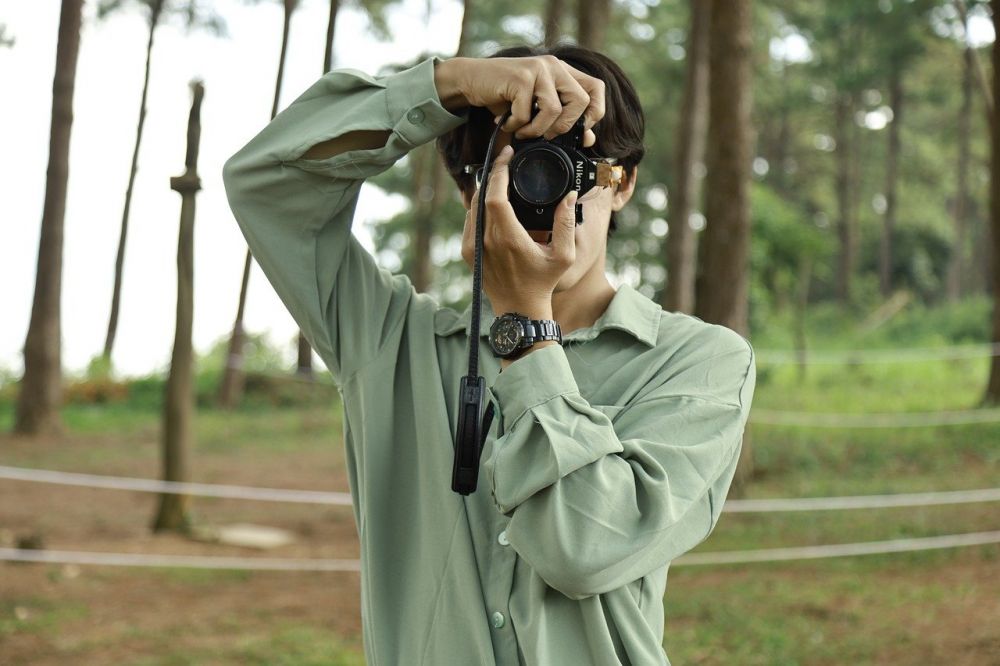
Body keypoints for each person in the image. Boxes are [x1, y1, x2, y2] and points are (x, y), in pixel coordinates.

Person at [223, 42, 756, 666]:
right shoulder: (390, 339)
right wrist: (449, 86)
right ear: (469, 192)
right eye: (505, 168)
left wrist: (524, 326)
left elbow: (586, 549)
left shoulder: (699, 361)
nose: (539, 190)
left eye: (569, 164)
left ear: (623, 184)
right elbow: (266, 180)